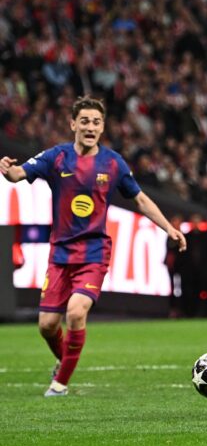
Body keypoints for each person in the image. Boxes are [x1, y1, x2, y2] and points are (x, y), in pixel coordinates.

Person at [0, 96, 187, 397]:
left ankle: (60, 385)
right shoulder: (56, 157)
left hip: (94, 253)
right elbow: (18, 173)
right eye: (84, 121)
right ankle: (65, 362)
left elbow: (139, 199)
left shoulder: (113, 163)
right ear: (73, 124)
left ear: (102, 127)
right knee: (47, 325)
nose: (90, 127)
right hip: (60, 254)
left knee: (75, 313)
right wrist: (8, 169)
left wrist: (168, 227)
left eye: (96, 122)